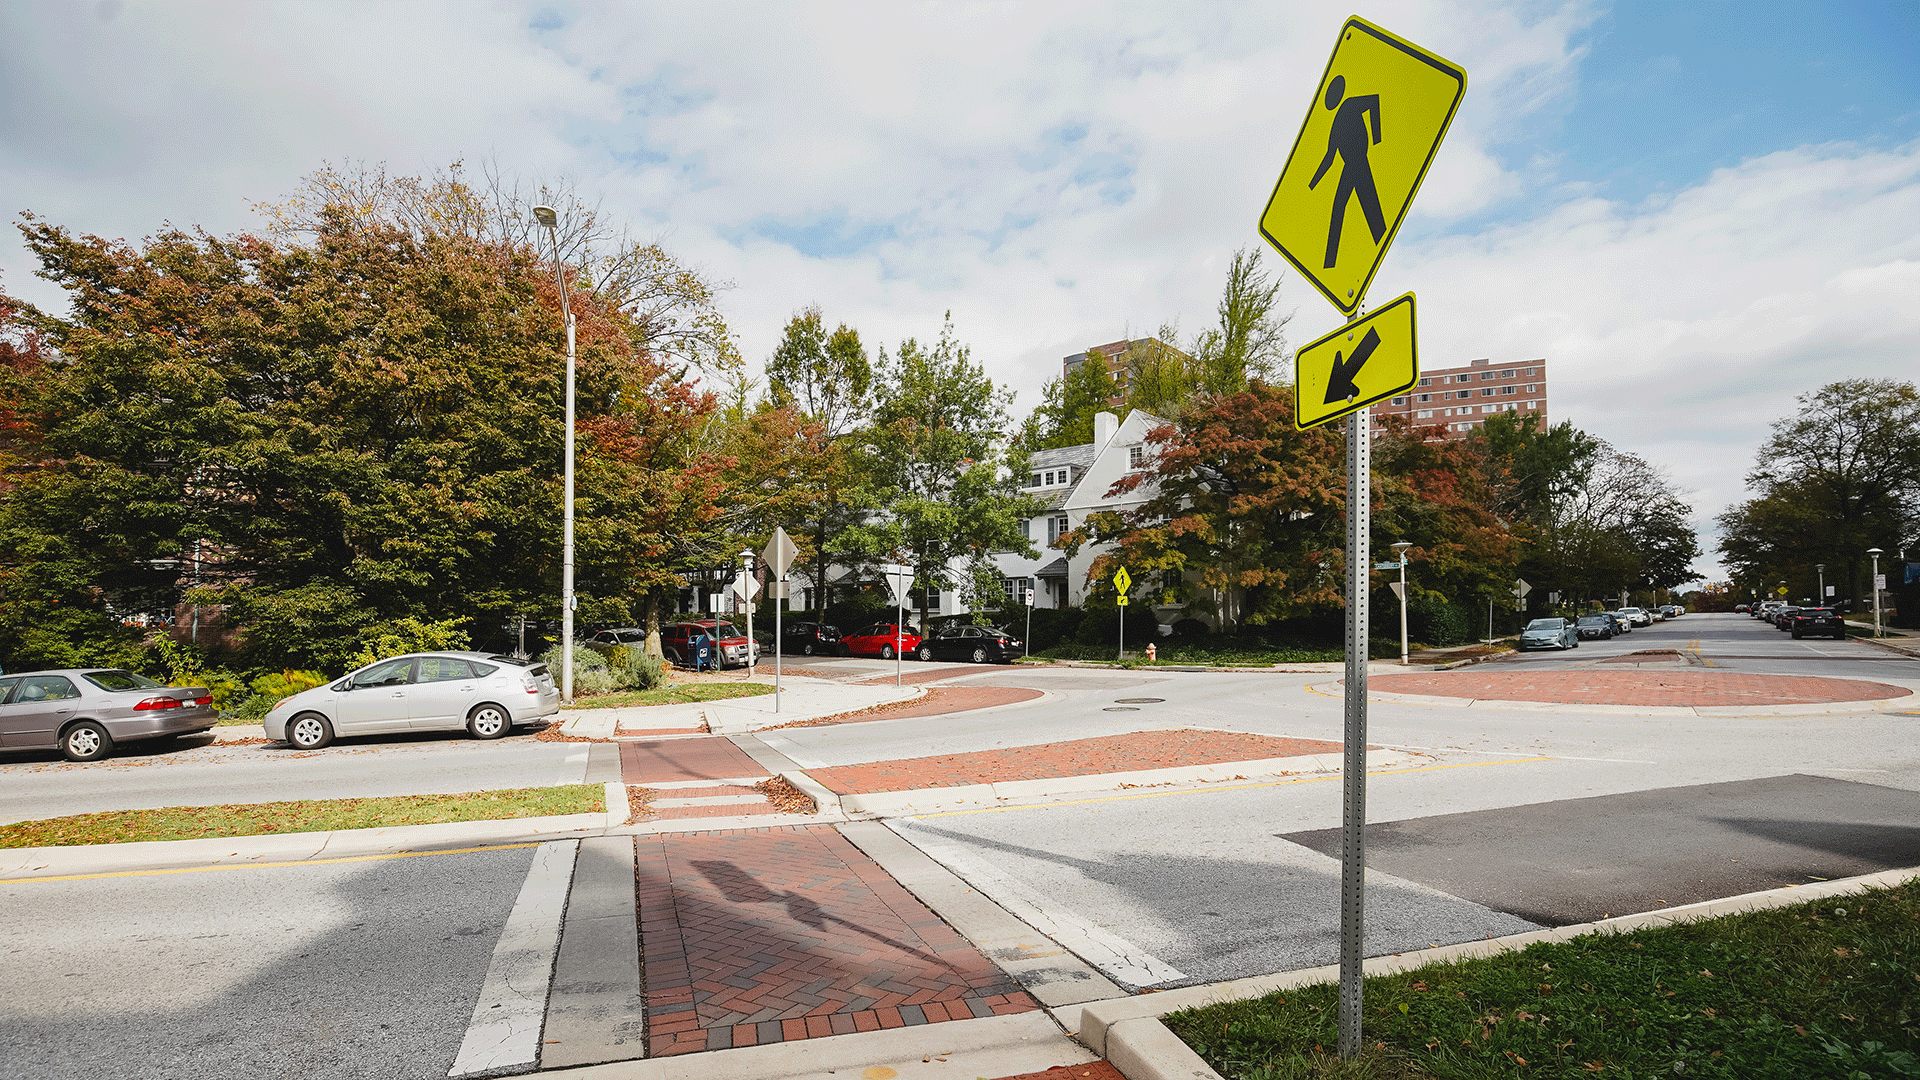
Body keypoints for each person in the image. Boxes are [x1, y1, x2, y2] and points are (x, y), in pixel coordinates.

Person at [1308, 74, 1386, 269]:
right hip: (1349, 166)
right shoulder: (1335, 125)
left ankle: (1331, 261)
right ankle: (1330, 263)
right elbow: (1329, 158)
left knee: (1369, 207)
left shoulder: (1350, 105)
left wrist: (1377, 139)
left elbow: (1374, 101)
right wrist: (1312, 184)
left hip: (1359, 162)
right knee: (1341, 206)